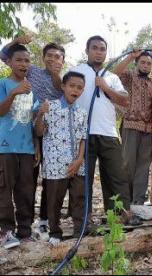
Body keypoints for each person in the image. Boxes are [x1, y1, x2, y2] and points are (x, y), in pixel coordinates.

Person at [70, 35, 140, 226]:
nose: (99, 52)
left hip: (108, 132)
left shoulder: (111, 77)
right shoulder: (77, 71)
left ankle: (120, 213)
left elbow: (124, 100)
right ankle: (85, 217)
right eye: (95, 48)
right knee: (84, 177)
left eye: (102, 49)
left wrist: (106, 87)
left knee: (117, 175)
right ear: (87, 50)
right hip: (83, 133)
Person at [1, 34, 66, 233]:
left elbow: (60, 91)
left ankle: (36, 224)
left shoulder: (62, 81)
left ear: (62, 61)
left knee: (39, 182)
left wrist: (56, 73)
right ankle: (13, 227)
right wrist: (15, 41)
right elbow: (7, 55)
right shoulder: (24, 75)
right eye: (49, 55)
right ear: (43, 57)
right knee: (14, 184)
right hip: (15, 138)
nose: (53, 59)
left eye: (57, 57)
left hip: (44, 137)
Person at [113, 50, 152, 210]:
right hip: (131, 127)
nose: (146, 65)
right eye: (143, 62)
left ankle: (138, 203)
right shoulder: (129, 77)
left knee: (143, 167)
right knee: (128, 164)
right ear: (137, 64)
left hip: (149, 130)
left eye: (149, 63)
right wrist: (129, 57)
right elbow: (114, 74)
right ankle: (125, 203)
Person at [34, 71, 87, 246]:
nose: (76, 90)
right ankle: (55, 232)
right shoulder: (51, 106)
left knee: (79, 197)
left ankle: (80, 230)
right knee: (54, 199)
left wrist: (80, 159)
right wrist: (41, 114)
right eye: (72, 86)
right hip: (55, 163)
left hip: (77, 163)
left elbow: (83, 138)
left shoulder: (81, 112)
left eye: (80, 87)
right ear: (63, 86)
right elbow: (39, 132)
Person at [0, 44, 40, 249]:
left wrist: (36, 146)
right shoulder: (3, 84)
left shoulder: (32, 89)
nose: (23, 64)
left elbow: (34, 122)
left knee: (26, 190)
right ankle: (6, 231)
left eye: (27, 60)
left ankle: (24, 230)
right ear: (9, 62)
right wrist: (14, 93)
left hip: (27, 149)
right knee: (4, 189)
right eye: (19, 60)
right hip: (5, 147)